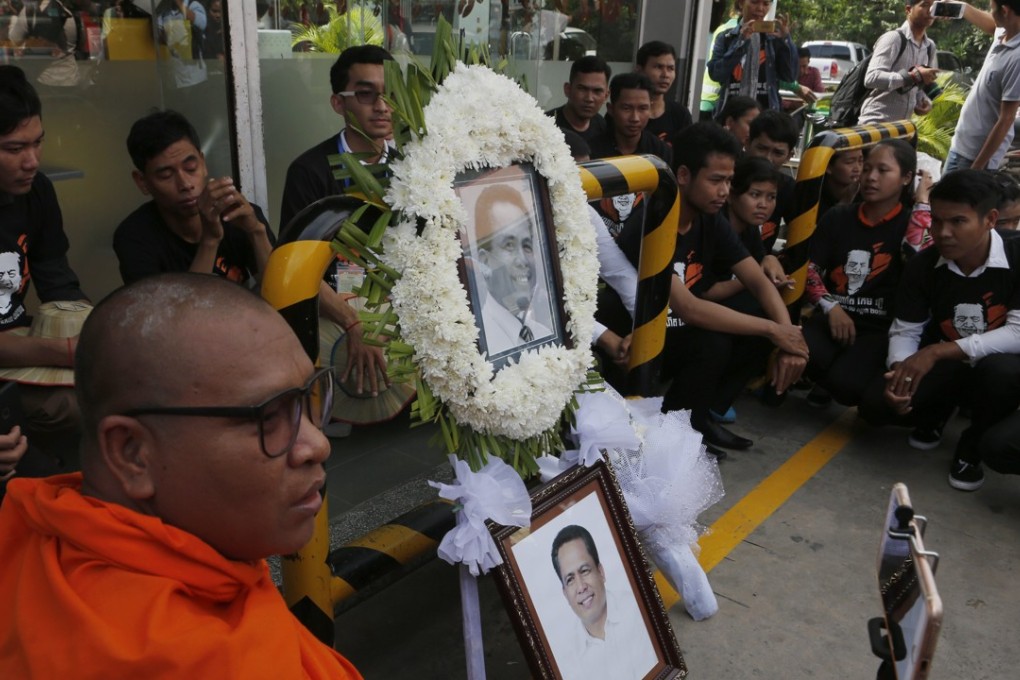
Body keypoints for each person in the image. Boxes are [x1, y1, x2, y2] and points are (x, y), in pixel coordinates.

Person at [0, 273, 362, 677]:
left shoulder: (34, 536)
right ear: (132, 454)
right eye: (267, 416)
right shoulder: (193, 659)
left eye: (308, 398)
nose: (317, 445)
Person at [617, 122, 808, 454]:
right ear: (684, 175)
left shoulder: (710, 217)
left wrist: (789, 337)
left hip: (677, 331)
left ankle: (694, 421)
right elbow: (687, 307)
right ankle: (669, 431)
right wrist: (774, 332)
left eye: (729, 181)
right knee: (716, 339)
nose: (724, 192)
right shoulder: (649, 223)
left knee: (762, 307)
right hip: (635, 340)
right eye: (716, 181)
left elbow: (758, 280)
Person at [858, 170, 1020, 491]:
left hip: (994, 365)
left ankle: (971, 447)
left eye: (958, 222)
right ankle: (935, 414)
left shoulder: (1017, 255)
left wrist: (935, 352)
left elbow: (1017, 334)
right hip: (947, 366)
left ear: (989, 219)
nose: (943, 233)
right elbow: (906, 329)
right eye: (936, 221)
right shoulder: (924, 264)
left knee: (1004, 371)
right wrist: (899, 374)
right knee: (876, 406)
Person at [280, 44, 393, 397]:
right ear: (338, 103)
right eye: (365, 94)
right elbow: (296, 271)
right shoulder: (309, 171)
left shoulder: (416, 165)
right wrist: (354, 323)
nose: (383, 106)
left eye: (391, 94)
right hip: (334, 319)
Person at [803, 140, 930, 408]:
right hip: (832, 318)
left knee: (846, 386)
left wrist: (922, 204)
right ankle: (824, 375)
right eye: (866, 168)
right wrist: (830, 306)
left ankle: (836, 378)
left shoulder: (910, 222)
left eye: (883, 171)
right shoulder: (839, 216)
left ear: (907, 177)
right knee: (801, 352)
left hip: (877, 329)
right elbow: (810, 269)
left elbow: (916, 258)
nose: (871, 177)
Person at [0, 66, 88, 453]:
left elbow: (58, 282)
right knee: (69, 407)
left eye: (38, 143)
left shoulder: (37, 192)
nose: (32, 160)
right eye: (15, 149)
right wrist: (66, 351)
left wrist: (90, 330)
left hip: (20, 344)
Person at [114, 110, 274, 287]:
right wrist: (210, 240)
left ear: (203, 164)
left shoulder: (236, 215)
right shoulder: (135, 237)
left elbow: (280, 296)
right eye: (166, 175)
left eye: (191, 168)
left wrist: (256, 231)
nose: (185, 184)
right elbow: (176, 314)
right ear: (142, 182)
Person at [550, 525, 657, 680]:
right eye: (570, 579)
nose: (581, 587)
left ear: (601, 572)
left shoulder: (639, 610)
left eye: (584, 570)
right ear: (565, 594)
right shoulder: (566, 661)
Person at [469, 184, 552, 358]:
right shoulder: (475, 347)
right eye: (509, 245)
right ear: (485, 261)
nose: (523, 260)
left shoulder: (545, 336)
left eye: (527, 246)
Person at [589, 73, 672, 239]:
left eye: (643, 109)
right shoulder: (592, 150)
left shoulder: (660, 152)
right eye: (626, 108)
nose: (635, 118)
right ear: (611, 109)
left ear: (651, 107)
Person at [944, 0, 1020, 172]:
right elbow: (992, 25)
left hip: (974, 158)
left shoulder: (1017, 57)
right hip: (961, 145)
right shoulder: (1004, 34)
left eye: (991, 9)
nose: (990, 12)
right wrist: (961, 7)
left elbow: (1006, 119)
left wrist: (976, 169)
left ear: (1006, 11)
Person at [707, 0, 797, 115]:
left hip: (766, 117)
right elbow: (716, 74)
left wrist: (786, 40)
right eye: (754, 2)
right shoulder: (726, 37)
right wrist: (741, 41)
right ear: (741, 3)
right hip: (732, 117)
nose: (760, 8)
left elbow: (790, 76)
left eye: (766, 4)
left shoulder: (774, 39)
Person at [859, 0, 939, 125]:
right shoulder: (893, 38)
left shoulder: (930, 47)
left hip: (903, 126)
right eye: (925, 5)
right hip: (876, 122)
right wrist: (912, 76)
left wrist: (923, 101)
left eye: (934, 6)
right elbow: (871, 78)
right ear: (908, 10)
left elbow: (918, 87)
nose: (930, 10)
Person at [745, 109, 799, 254]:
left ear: (790, 155)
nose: (768, 158)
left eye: (778, 153)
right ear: (747, 143)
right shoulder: (727, 180)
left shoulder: (788, 188)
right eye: (762, 148)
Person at [634, 40, 693, 145]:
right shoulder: (625, 114)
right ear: (639, 70)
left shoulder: (680, 114)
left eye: (671, 68)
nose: (665, 75)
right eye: (658, 67)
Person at [547, 56, 612, 145]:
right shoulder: (546, 125)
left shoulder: (602, 126)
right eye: (582, 89)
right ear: (568, 89)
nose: (589, 98)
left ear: (606, 96)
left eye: (597, 91)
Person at [817, 149, 864, 220]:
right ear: (828, 166)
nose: (857, 169)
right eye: (849, 162)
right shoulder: (813, 194)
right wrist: (846, 201)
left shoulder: (866, 195)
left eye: (860, 161)